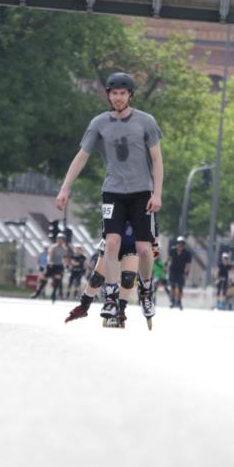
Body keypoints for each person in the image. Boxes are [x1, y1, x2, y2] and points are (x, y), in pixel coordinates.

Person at [56, 71, 163, 324]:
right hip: (113, 192)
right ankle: (112, 298)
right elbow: (82, 156)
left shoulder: (146, 121)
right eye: (114, 93)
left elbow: (157, 160)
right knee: (112, 244)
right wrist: (65, 188)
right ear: (108, 95)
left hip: (141, 193)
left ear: (129, 95)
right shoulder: (99, 123)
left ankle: (146, 289)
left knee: (144, 250)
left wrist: (157, 193)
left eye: (122, 93)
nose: (117, 97)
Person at [65, 220, 143, 328]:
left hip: (133, 236)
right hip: (113, 233)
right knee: (98, 276)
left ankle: (120, 310)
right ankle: (84, 305)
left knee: (128, 278)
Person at [32, 232, 69, 302]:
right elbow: (50, 255)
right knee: (44, 279)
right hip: (52, 265)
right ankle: (37, 292)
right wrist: (49, 261)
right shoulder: (53, 247)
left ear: (64, 240)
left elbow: (65, 258)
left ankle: (54, 294)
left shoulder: (65, 249)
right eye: (59, 239)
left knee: (57, 279)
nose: (60, 240)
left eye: (61, 239)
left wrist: (65, 265)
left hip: (59, 266)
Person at [168, 235, 191, 309]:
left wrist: (186, 273)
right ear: (177, 243)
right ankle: (172, 301)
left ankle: (179, 302)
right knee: (172, 286)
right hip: (173, 270)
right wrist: (165, 266)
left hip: (181, 272)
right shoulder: (173, 250)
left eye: (182, 244)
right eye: (179, 243)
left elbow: (188, 264)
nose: (180, 245)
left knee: (180, 287)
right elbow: (169, 258)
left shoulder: (187, 253)